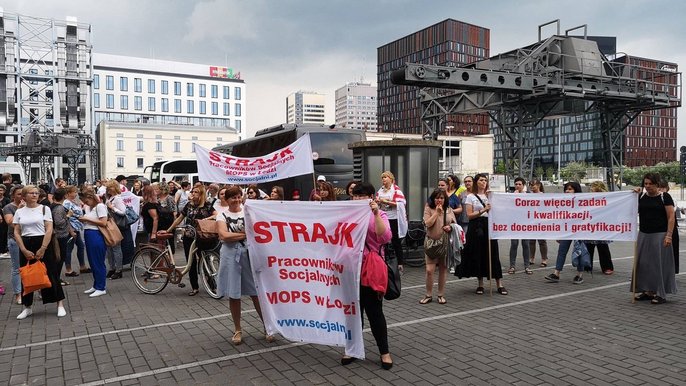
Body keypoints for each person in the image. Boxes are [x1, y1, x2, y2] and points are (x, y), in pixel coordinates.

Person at [341, 182, 394, 369]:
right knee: (352, 313)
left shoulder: (379, 215)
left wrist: (376, 213)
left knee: (374, 313)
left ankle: (384, 352)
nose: (357, 199)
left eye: (362, 195)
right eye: (355, 195)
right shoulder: (347, 214)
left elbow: (384, 236)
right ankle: (352, 349)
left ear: (371, 197)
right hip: (349, 270)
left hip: (369, 271)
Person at [216, 186, 274, 345]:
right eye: (232, 197)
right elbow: (223, 235)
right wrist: (246, 234)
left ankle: (267, 326)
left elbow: (258, 231)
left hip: (249, 256)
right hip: (230, 257)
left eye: (238, 196)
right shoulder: (221, 215)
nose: (235, 200)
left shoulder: (248, 212)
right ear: (226, 200)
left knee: (256, 292)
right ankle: (237, 329)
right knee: (234, 294)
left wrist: (236, 236)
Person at [14, 185, 67, 319]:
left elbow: (49, 229)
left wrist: (43, 248)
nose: (34, 195)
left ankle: (60, 304)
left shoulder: (45, 208)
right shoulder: (19, 212)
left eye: (36, 193)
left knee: (51, 272)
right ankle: (27, 307)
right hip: (26, 242)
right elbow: (17, 231)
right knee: (26, 275)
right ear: (24, 196)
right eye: (31, 193)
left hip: (43, 241)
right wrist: (23, 249)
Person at [455, 173, 508, 295]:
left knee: (493, 253)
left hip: (489, 225)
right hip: (476, 226)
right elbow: (469, 215)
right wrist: (483, 210)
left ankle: (499, 284)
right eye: (481, 180)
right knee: (478, 254)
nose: (483, 182)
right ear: (476, 182)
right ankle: (480, 284)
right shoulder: (470, 197)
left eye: (485, 180)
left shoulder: (491, 196)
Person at [163, 184, 217, 295]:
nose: (192, 194)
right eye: (192, 191)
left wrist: (206, 219)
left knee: (204, 259)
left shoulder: (207, 205)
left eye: (196, 192)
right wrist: (168, 230)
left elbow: (216, 214)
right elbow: (179, 219)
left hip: (202, 237)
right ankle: (195, 287)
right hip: (189, 237)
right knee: (190, 262)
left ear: (201, 194)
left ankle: (212, 285)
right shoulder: (189, 205)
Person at [632, 173, 677, 304]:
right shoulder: (642, 196)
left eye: (650, 184)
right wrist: (634, 195)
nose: (647, 186)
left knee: (658, 264)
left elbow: (671, 217)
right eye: (645, 184)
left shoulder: (665, 197)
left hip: (660, 234)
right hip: (644, 233)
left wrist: (669, 235)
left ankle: (661, 293)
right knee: (644, 264)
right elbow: (633, 211)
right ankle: (648, 291)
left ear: (657, 184)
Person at [544, 182, 587, 284]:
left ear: (576, 190)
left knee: (579, 252)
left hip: (579, 230)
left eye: (570, 189)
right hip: (566, 230)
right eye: (566, 189)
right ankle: (556, 273)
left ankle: (579, 275)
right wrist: (559, 233)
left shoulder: (582, 202)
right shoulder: (563, 203)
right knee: (561, 251)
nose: (567, 191)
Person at [420, 188, 456, 305]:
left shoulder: (449, 209)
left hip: (444, 243)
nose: (439, 200)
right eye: (437, 198)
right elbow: (427, 224)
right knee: (429, 270)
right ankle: (428, 294)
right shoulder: (428, 208)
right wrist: (436, 213)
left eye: (441, 198)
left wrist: (450, 227)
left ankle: (440, 294)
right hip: (431, 242)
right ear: (433, 199)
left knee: (443, 268)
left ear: (445, 199)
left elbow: (454, 224)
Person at [78, 190, 109, 297]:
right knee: (92, 261)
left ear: (91, 198)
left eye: (86, 200)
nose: (85, 203)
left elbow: (104, 222)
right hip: (88, 233)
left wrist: (86, 219)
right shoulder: (88, 207)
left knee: (98, 261)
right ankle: (96, 285)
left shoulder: (100, 206)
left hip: (96, 234)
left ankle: (101, 287)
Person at [376, 171, 406, 271]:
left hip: (393, 218)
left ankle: (400, 263)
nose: (383, 179)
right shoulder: (380, 190)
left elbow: (401, 204)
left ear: (391, 179)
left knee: (395, 240)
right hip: (383, 217)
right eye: (382, 178)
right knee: (383, 239)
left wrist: (386, 202)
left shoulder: (396, 190)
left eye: (385, 177)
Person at [585, 181, 614, 275]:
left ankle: (607, 267)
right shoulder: (588, 199)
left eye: (593, 188)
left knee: (603, 248)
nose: (591, 190)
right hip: (590, 227)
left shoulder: (606, 199)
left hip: (601, 227)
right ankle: (587, 265)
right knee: (588, 247)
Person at [3, 185, 25, 304]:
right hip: (14, 240)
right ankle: (18, 293)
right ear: (13, 196)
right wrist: (19, 210)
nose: (22, 196)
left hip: (29, 239)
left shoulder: (30, 206)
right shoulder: (8, 207)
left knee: (32, 265)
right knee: (17, 268)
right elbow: (10, 222)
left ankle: (35, 288)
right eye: (19, 194)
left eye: (23, 193)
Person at [63, 185, 90, 275]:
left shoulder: (73, 202)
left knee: (81, 246)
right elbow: (67, 217)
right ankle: (68, 269)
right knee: (69, 249)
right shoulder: (66, 203)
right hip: (72, 228)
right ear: (68, 193)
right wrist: (70, 229)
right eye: (74, 192)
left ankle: (82, 266)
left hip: (77, 228)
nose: (76, 194)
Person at [508, 177, 532, 275]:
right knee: (514, 244)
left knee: (526, 244)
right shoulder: (511, 195)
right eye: (516, 184)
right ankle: (512, 266)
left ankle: (527, 266)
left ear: (523, 185)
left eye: (519, 184)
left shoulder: (528, 195)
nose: (517, 186)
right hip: (515, 223)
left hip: (525, 223)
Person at [103, 180, 126, 280]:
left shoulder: (117, 199)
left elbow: (123, 212)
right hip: (110, 225)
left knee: (116, 248)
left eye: (109, 187)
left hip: (115, 226)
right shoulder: (110, 198)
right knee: (110, 248)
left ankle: (118, 270)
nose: (108, 189)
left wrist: (112, 208)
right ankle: (112, 268)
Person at [50, 188, 72, 286]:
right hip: (60, 235)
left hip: (58, 235)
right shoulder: (59, 208)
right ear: (65, 196)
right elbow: (59, 223)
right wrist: (68, 216)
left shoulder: (53, 206)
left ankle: (56, 278)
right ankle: (55, 279)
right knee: (59, 258)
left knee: (58, 258)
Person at [528, 179, 548, 267]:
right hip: (531, 220)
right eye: (531, 185)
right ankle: (531, 258)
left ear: (539, 185)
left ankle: (544, 259)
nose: (532, 187)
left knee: (542, 241)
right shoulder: (528, 196)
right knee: (531, 241)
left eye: (533, 185)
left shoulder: (543, 196)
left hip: (541, 220)